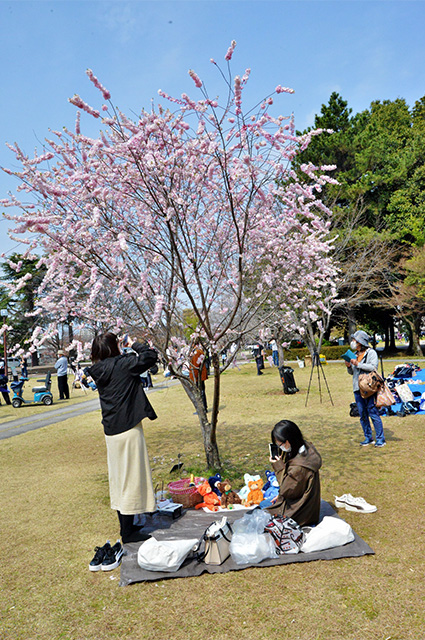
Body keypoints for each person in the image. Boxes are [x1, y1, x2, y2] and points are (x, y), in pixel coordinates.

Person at [88, 332, 158, 545]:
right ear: (113, 347)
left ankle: (126, 526)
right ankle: (128, 533)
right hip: (129, 428)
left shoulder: (97, 370)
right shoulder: (124, 364)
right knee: (132, 478)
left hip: (112, 431)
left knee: (119, 480)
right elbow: (150, 356)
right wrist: (133, 343)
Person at [267, 419, 322, 526]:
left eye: (279, 444)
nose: (279, 447)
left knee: (260, 512)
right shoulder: (307, 448)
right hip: (309, 508)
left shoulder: (299, 467)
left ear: (288, 441)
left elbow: (287, 490)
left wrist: (279, 467)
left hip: (299, 512)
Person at [345, 330, 386, 448]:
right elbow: (352, 372)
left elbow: (373, 367)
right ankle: (368, 437)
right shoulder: (354, 354)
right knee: (362, 414)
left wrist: (358, 364)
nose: (353, 342)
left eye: (355, 340)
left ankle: (380, 439)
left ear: (361, 342)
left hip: (369, 387)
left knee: (373, 412)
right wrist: (349, 366)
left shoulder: (371, 353)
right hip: (357, 388)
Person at [189, 339, 208, 411]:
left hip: (197, 376)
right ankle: (204, 408)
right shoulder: (199, 351)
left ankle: (203, 408)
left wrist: (194, 377)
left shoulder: (197, 352)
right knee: (201, 391)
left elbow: (196, 365)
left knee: (200, 392)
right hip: (199, 375)